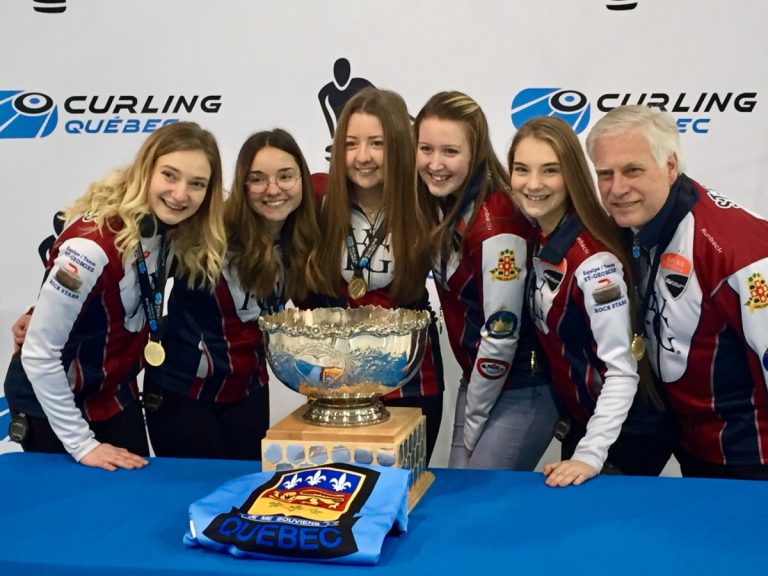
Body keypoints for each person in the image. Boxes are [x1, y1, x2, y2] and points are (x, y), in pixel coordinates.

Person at [4, 121, 226, 471]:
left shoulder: (167, 228)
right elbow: (39, 353)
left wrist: (38, 310)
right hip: (49, 402)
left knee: (135, 493)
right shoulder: (90, 249)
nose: (181, 194)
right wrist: (82, 444)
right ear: (145, 171)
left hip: (114, 394)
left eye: (197, 184)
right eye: (170, 175)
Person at [586, 105, 768, 480]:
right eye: (605, 173)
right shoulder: (629, 226)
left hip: (751, 457)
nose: (617, 188)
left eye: (633, 170)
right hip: (692, 444)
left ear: (670, 166)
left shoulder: (736, 251)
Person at [508, 116, 676, 486]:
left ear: (572, 175)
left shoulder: (595, 264)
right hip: (587, 419)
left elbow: (621, 371)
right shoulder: (540, 236)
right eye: (522, 169)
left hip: (628, 431)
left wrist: (590, 453)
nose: (532, 184)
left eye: (550, 170)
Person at [143, 129, 329, 460]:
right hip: (183, 394)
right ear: (242, 185)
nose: (273, 189)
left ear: (302, 179)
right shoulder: (207, 230)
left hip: (249, 391)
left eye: (285, 176)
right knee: (194, 489)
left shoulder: (301, 237)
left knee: (246, 488)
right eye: (257, 179)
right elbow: (137, 267)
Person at [415, 91, 557, 470]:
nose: (435, 163)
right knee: (462, 490)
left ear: (475, 152)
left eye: (450, 151)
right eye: (426, 149)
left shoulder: (496, 224)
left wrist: (473, 419)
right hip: (483, 379)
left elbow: (501, 335)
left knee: (475, 495)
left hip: (520, 387)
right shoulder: (448, 202)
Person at [311, 87, 444, 464]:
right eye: (351, 143)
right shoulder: (318, 198)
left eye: (377, 143)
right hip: (338, 379)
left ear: (399, 146)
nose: (362, 157)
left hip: (413, 379)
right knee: (341, 489)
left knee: (404, 489)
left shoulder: (426, 201)